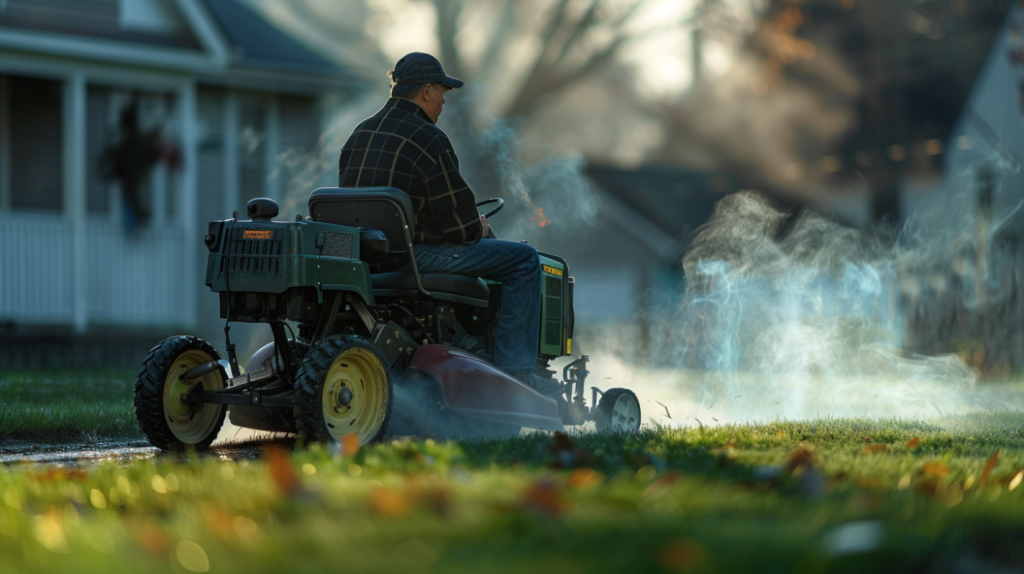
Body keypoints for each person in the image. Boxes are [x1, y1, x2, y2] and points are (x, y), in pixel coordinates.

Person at [337, 52, 559, 395]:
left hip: (367, 260)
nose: (443, 102)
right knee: (523, 260)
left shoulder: (358, 135)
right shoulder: (429, 139)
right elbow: (462, 229)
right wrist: (481, 226)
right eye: (442, 92)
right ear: (426, 91)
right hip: (413, 258)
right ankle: (516, 373)